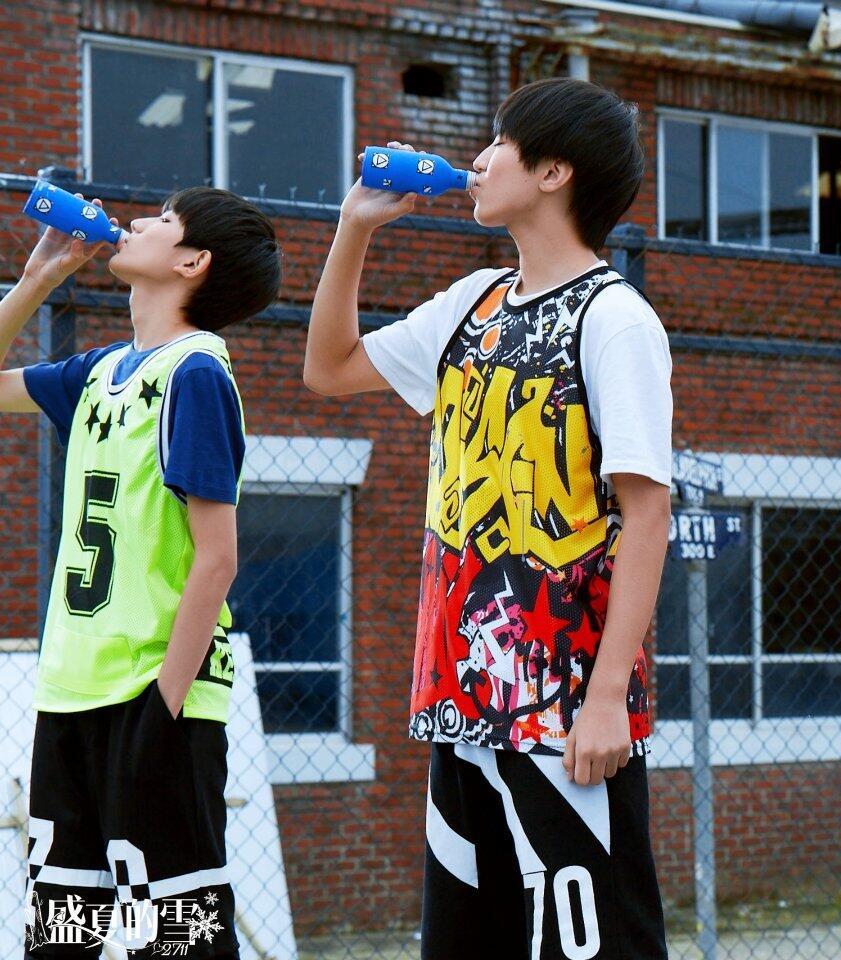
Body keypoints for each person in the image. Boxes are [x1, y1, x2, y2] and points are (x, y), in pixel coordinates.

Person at [304, 77, 671, 960]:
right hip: (459, 706)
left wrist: (606, 700)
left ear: (552, 171)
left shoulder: (614, 318)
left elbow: (647, 511)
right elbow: (329, 368)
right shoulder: (471, 302)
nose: (478, 159)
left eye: (500, 142)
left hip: (563, 714)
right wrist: (355, 227)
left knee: (595, 944)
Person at [1, 186, 281, 958]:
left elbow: (217, 557)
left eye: (162, 220)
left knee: (176, 938)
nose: (134, 222)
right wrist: (37, 279)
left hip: (155, 697)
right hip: (72, 692)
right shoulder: (98, 373)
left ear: (192, 262)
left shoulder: (195, 374)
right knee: (63, 933)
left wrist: (165, 704)